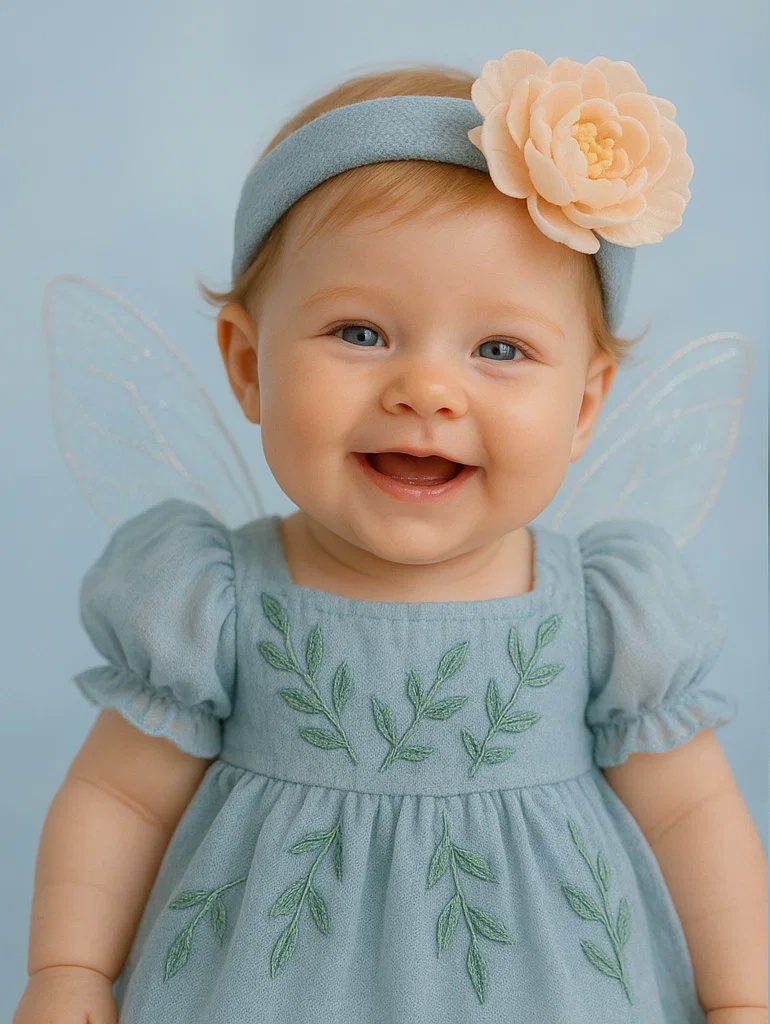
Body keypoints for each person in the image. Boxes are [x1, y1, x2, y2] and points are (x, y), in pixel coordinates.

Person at [13, 48, 767, 1024]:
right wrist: (69, 970)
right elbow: (121, 799)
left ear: (584, 407)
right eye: (360, 333)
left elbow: (692, 812)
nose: (427, 390)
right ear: (248, 364)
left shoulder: (602, 613)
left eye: (499, 348)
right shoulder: (211, 601)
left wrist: (743, 999)